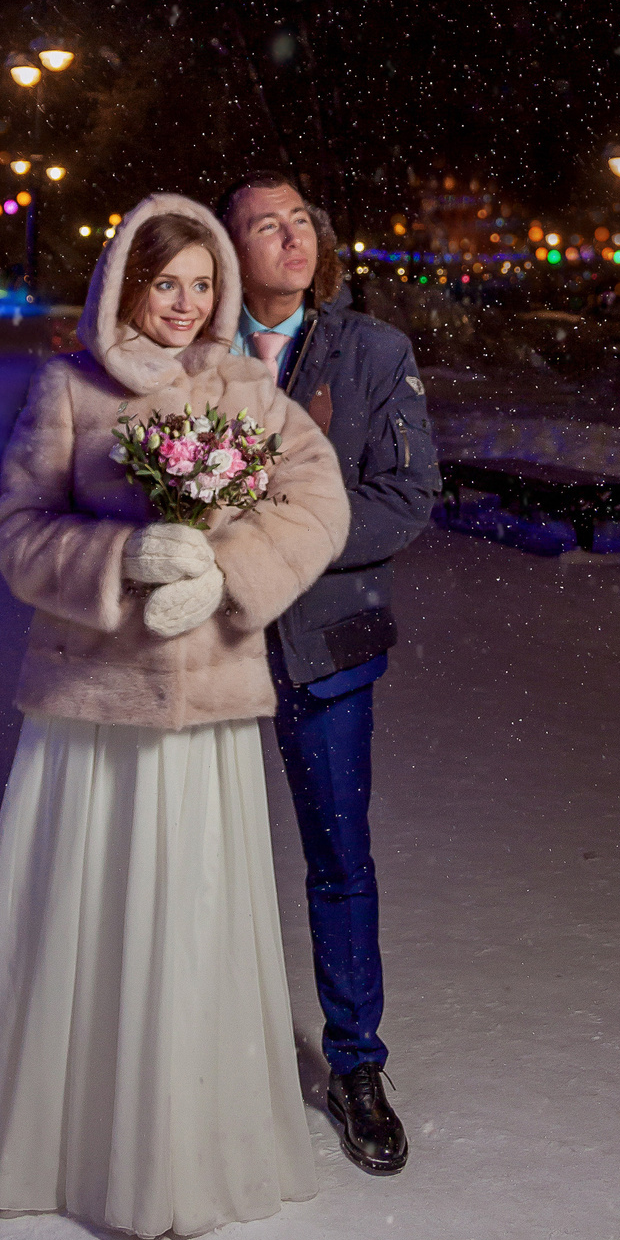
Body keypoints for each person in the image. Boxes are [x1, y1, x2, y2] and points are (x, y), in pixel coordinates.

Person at [0, 194, 351, 1240]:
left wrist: (223, 567)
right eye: (164, 282)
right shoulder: (68, 387)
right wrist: (120, 558)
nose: (184, 304)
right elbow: (16, 530)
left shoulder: (247, 388)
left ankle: (190, 1137)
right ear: (127, 283)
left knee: (195, 911)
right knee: (91, 908)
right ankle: (77, 1143)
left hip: (211, 702)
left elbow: (318, 502)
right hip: (94, 704)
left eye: (202, 284)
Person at [219, 170, 443, 1177]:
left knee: (338, 859)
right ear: (229, 250)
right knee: (193, 856)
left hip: (325, 646)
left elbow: (407, 495)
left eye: (299, 218)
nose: (288, 235)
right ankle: (197, 1055)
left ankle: (356, 1064)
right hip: (205, 647)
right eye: (263, 224)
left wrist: (284, 544)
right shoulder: (185, 355)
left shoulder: (371, 350)